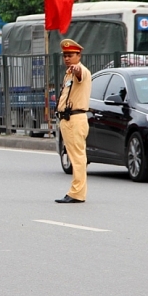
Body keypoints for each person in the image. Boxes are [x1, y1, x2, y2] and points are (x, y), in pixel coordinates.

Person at [55, 39, 92, 204]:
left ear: (79, 55)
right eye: (65, 56)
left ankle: (77, 193)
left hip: (75, 119)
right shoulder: (68, 73)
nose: (67, 58)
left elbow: (80, 75)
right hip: (67, 119)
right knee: (75, 156)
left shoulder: (81, 71)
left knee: (77, 158)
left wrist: (77, 69)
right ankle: (78, 192)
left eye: (70, 55)